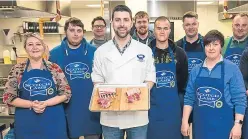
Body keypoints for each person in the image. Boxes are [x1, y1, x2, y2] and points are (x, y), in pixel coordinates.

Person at [91, 5, 155, 139]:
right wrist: (112, 98)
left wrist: (135, 94)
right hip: (110, 117)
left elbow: (150, 78)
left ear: (131, 22)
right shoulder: (100, 52)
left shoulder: (145, 50)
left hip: (138, 116)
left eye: (126, 20)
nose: (122, 24)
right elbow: (97, 80)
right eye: (118, 20)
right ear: (112, 22)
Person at [3, 33, 71, 139]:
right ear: (25, 48)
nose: (34, 47)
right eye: (30, 44)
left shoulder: (54, 68)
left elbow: (66, 93)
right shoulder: (17, 69)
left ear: (43, 47)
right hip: (27, 123)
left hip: (53, 121)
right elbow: (8, 97)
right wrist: (31, 104)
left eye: (38, 44)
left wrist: (45, 103)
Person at [181, 30, 246, 139]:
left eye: (215, 45)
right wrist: (184, 121)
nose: (211, 48)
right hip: (200, 126)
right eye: (208, 45)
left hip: (224, 126)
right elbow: (189, 98)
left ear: (221, 47)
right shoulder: (196, 70)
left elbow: (240, 99)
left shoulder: (232, 69)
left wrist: (238, 125)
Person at [49, 17, 102, 139]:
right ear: (65, 32)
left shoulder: (95, 52)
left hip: (91, 108)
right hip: (67, 109)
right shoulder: (54, 54)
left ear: (83, 32)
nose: (76, 34)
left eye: (79, 30)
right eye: (72, 30)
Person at [148, 16, 188, 139]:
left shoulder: (180, 53)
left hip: (173, 109)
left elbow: (183, 84)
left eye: (165, 28)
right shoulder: (146, 52)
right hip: (152, 109)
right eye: (159, 28)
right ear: (154, 30)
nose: (162, 31)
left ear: (169, 30)